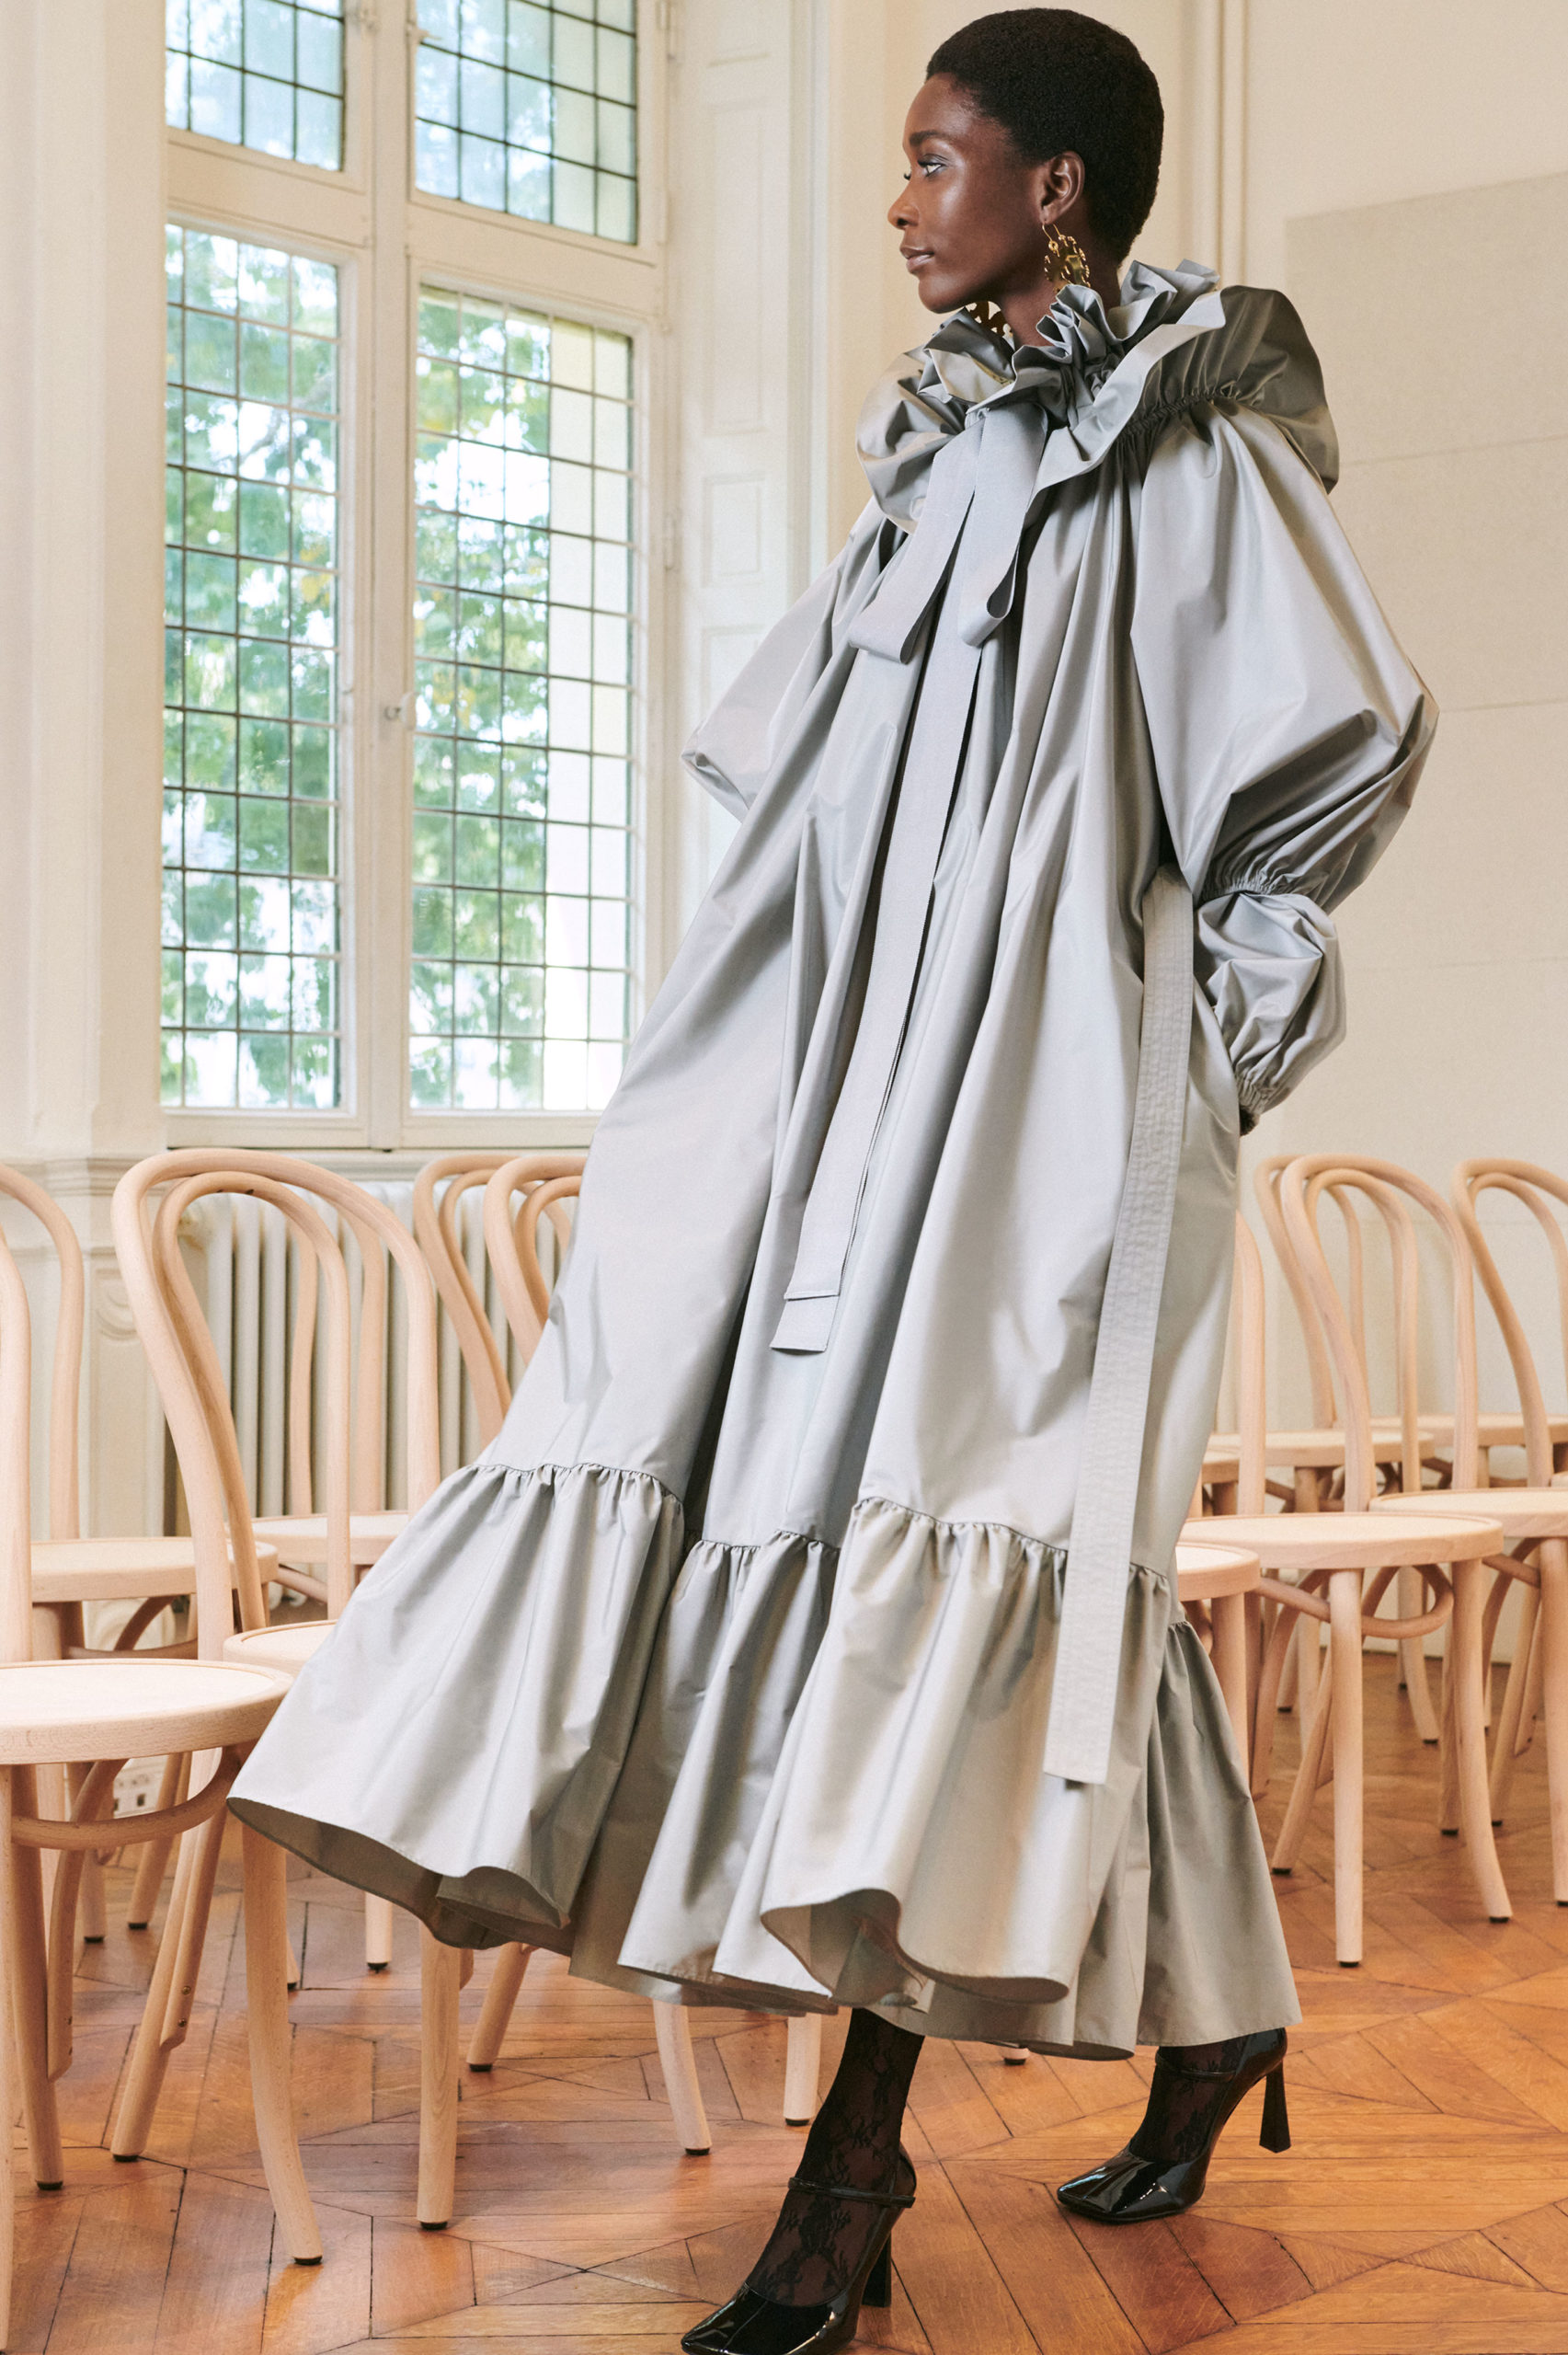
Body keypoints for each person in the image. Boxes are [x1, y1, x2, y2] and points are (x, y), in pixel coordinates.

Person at [232, 10, 1434, 2351]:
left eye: (935, 156)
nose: (899, 202)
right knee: (977, 1560)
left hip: (1041, 1111)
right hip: (848, 1090)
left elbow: (1316, 776)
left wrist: (1192, 1056)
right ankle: (1218, 2019)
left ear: (1055, 187)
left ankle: (854, 2169)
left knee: (977, 1530)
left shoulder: (1193, 453)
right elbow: (816, 791)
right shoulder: (943, 452)